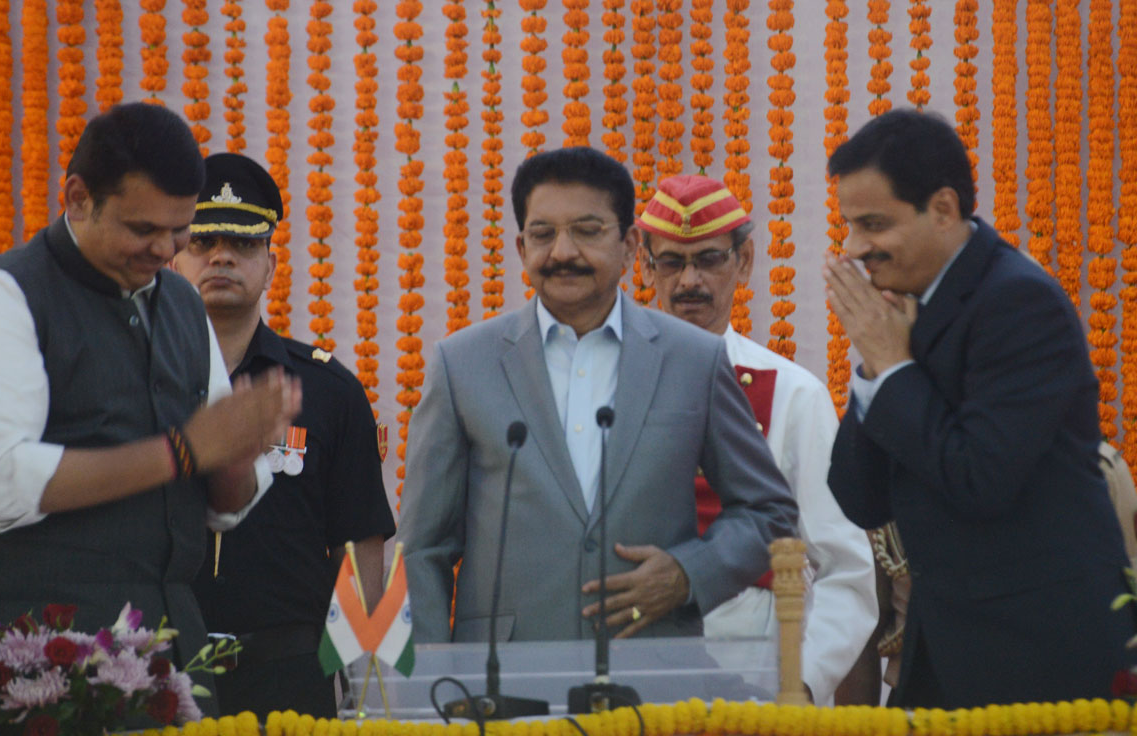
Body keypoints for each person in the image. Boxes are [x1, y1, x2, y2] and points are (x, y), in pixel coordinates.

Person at [0, 103, 299, 680]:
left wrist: (235, 454)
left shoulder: (181, 304)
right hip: (33, 665)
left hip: (168, 654)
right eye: (143, 229)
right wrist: (183, 451)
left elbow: (223, 505)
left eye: (180, 231)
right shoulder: (0, 297)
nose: (165, 250)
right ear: (78, 198)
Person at [397, 146, 797, 643]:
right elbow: (422, 550)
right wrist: (434, 686)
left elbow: (768, 513)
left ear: (630, 247)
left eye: (587, 231)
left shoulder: (694, 359)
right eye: (543, 234)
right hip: (501, 687)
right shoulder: (463, 365)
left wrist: (687, 574)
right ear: (521, 249)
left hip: (652, 679)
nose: (563, 252)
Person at [823, 108, 1133, 707]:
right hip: (943, 655)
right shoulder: (905, 314)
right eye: (849, 225)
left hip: (1040, 658)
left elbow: (979, 479)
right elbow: (860, 498)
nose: (855, 249)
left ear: (942, 209)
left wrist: (892, 368)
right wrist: (870, 369)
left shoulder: (1017, 303)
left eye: (874, 224)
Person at [635, 173, 877, 705]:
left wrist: (804, 683)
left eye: (709, 260)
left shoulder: (793, 394)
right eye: (672, 261)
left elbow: (847, 567)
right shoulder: (613, 383)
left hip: (755, 678)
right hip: (631, 668)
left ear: (744, 263)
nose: (688, 281)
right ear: (645, 267)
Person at [173, 153, 396, 718]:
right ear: (174, 260)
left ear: (271, 267)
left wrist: (353, 671)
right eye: (202, 242)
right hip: (163, 670)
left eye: (243, 245)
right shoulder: (141, 381)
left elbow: (360, 544)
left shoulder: (326, 389)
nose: (222, 255)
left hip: (290, 680)